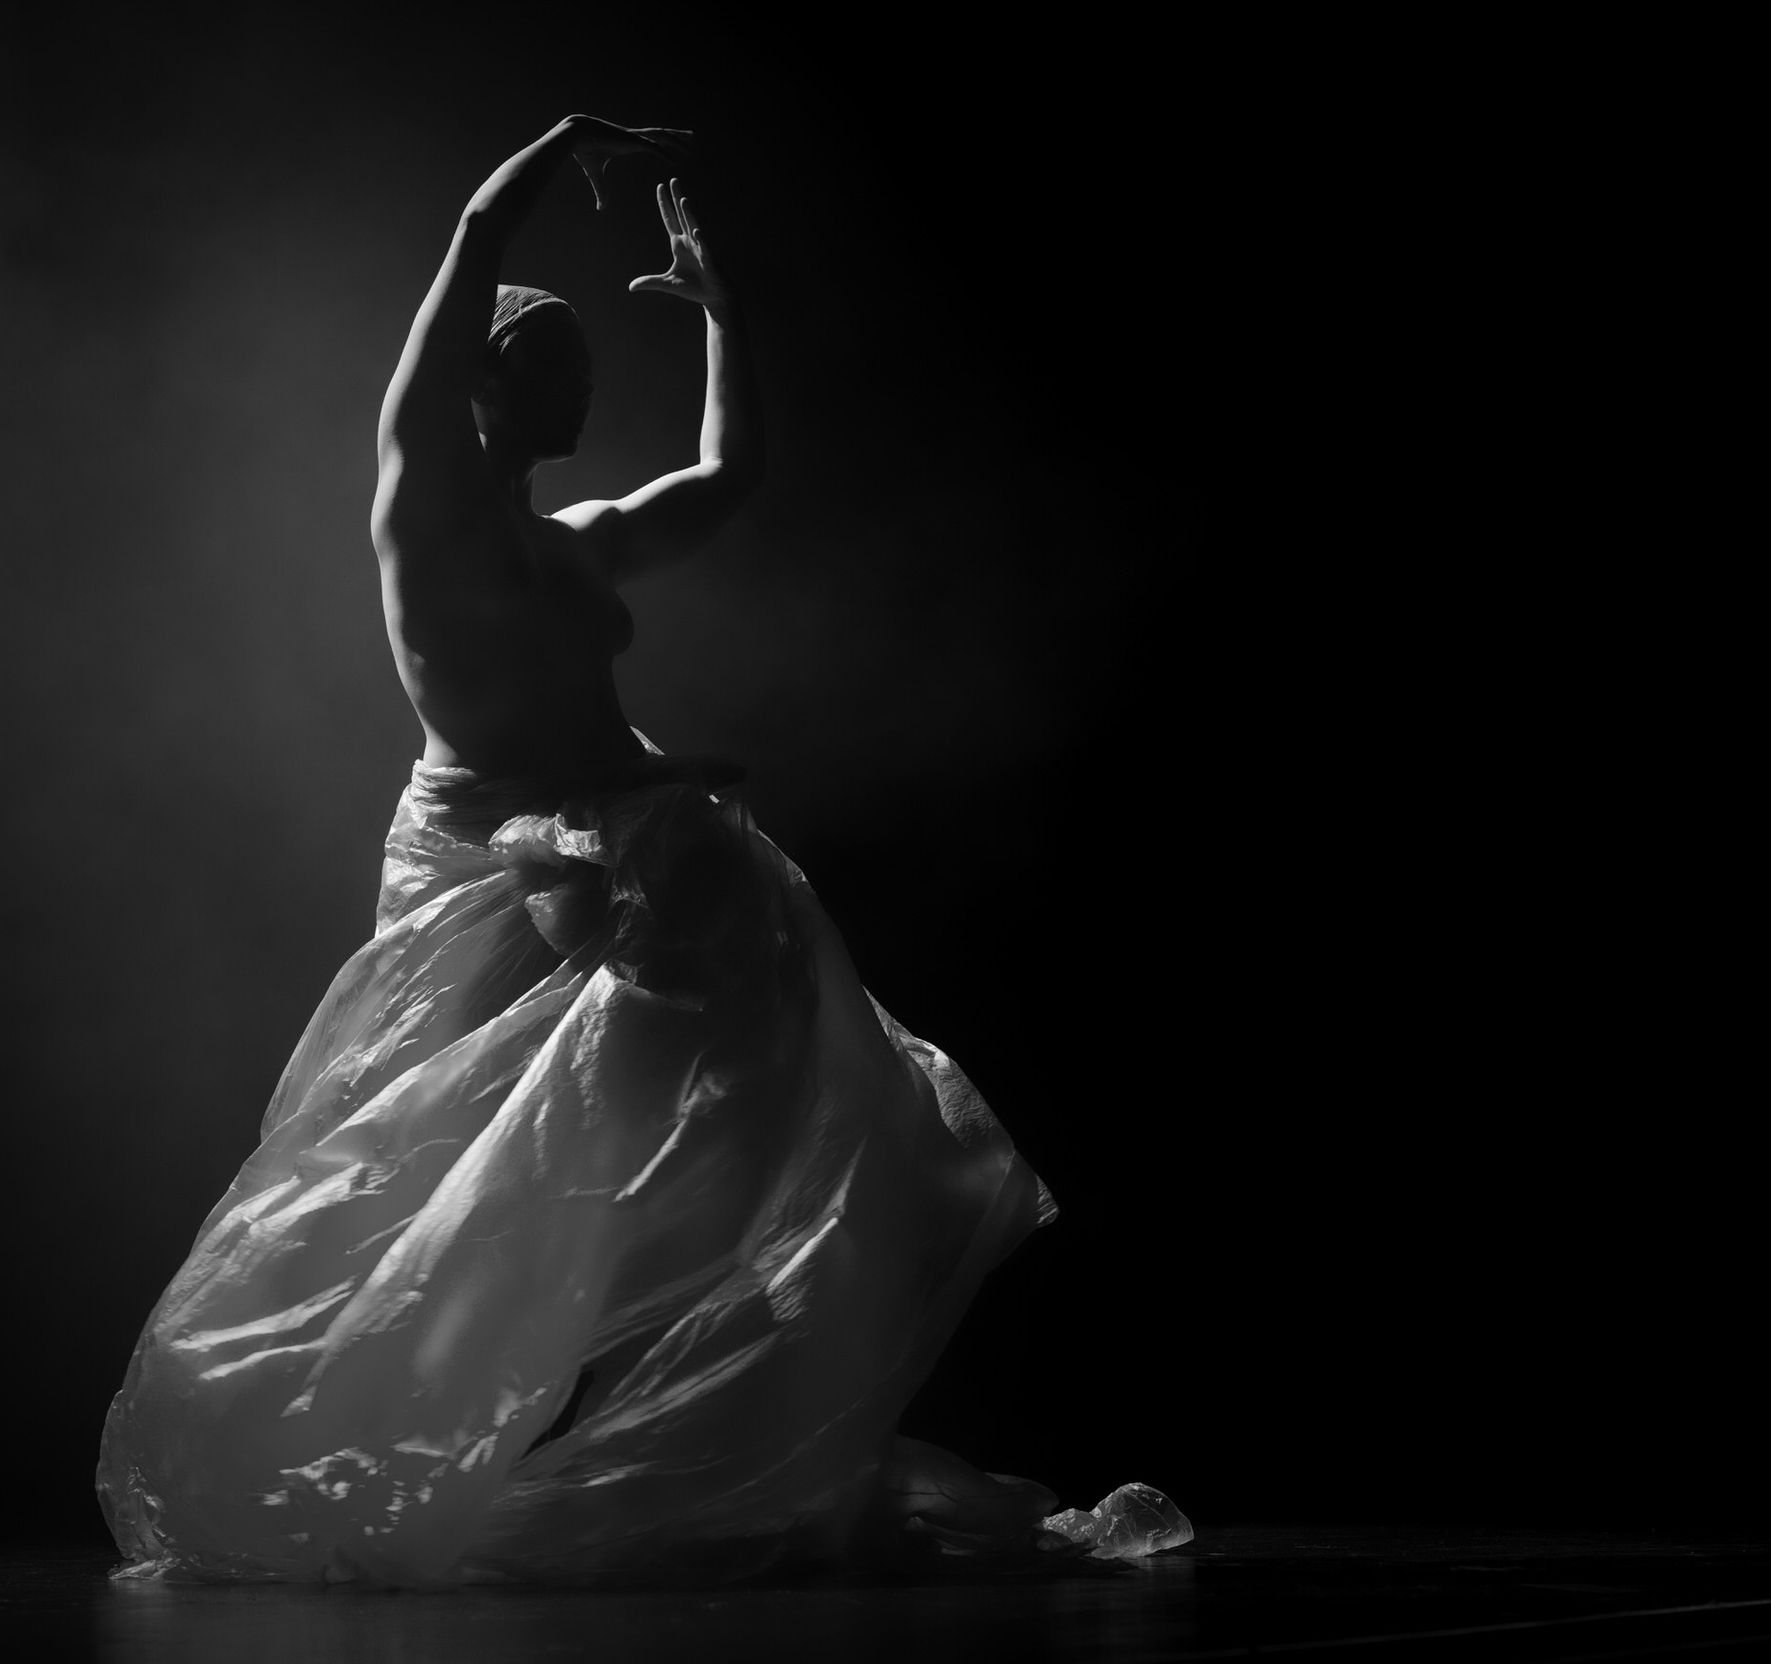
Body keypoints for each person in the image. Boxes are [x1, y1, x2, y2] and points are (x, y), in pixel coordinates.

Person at [95, 116, 1180, 1587]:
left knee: (737, 1100)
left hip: (613, 848)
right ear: (484, 380)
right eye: (555, 364)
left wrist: (722, 310)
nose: (583, 388)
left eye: (587, 369)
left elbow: (728, 476)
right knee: (433, 1176)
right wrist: (557, 152)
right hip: (488, 866)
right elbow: (468, 255)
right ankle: (381, 1449)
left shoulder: (583, 538)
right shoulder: (423, 510)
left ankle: (717, 1391)